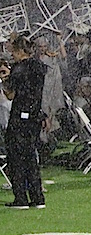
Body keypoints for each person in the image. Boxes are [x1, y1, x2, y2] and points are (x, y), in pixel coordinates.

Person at [0, 35, 47, 208]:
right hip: (34, 116)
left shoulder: (19, 69)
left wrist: (5, 78)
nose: (12, 56)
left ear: (20, 51)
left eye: (13, 52)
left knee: (16, 158)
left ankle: (20, 198)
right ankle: (37, 197)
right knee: (30, 157)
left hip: (19, 117)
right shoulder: (39, 67)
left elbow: (9, 94)